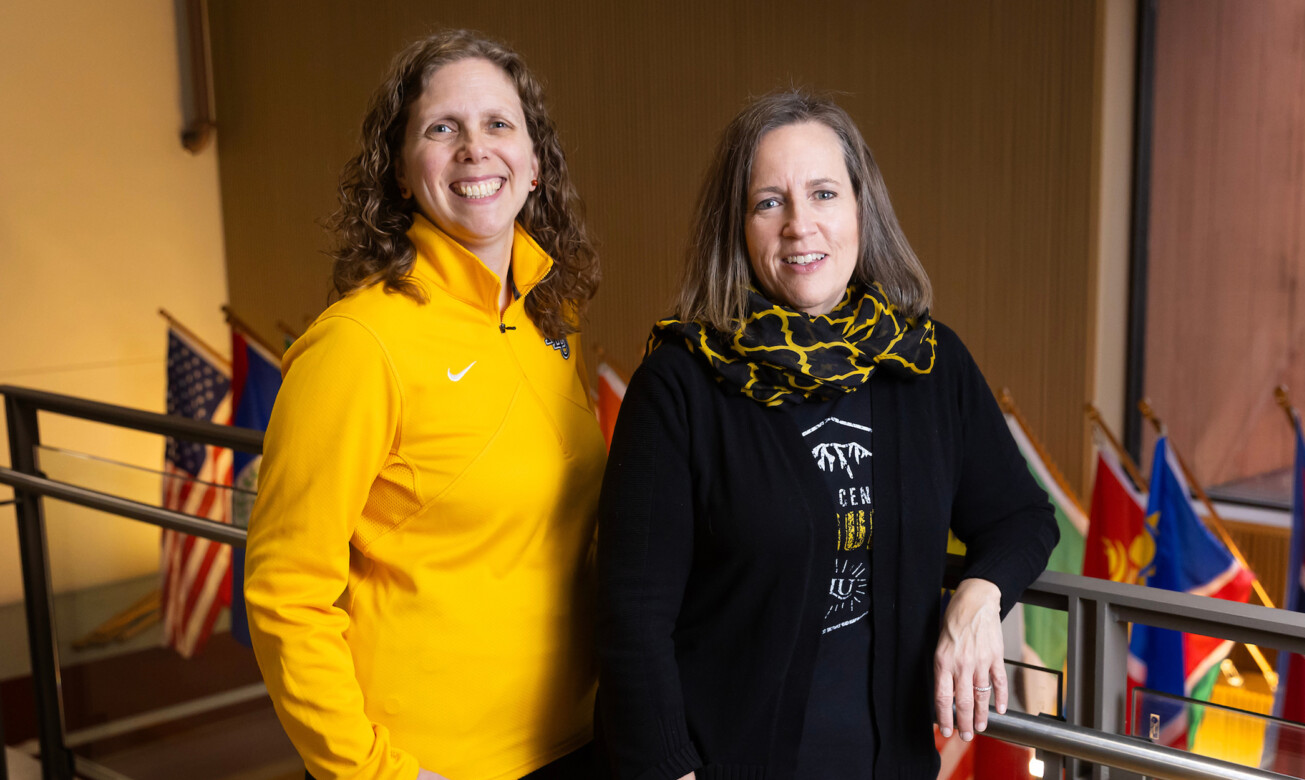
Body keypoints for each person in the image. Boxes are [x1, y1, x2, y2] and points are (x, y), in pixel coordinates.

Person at [594, 90, 1059, 779]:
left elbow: (1021, 517)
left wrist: (978, 596)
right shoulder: (681, 384)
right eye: (768, 202)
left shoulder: (926, 362)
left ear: (861, 211)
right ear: (738, 227)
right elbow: (633, 619)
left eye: (823, 193)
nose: (799, 225)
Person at [244, 30, 605, 780]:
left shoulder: (550, 319)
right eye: (443, 128)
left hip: (581, 740)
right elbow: (286, 594)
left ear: (535, 165)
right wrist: (377, 774)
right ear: (402, 172)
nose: (476, 148)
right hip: (429, 765)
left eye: (499, 124)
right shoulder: (356, 344)